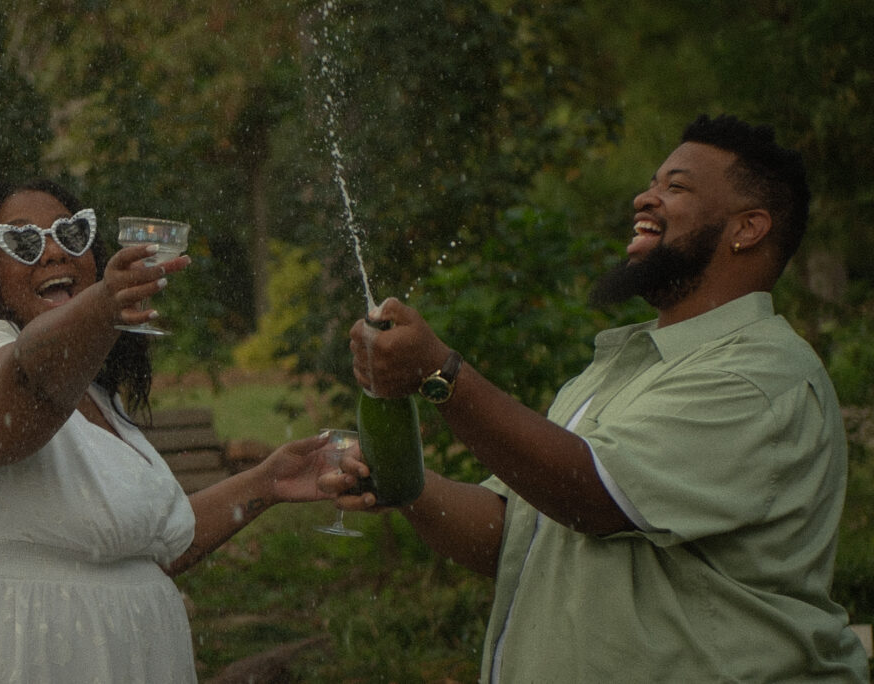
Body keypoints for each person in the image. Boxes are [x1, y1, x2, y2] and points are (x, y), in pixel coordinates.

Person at [336, 114, 870, 681]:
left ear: (749, 228)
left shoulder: (759, 374)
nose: (646, 197)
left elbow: (593, 499)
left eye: (677, 186)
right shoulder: (617, 369)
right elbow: (508, 531)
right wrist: (399, 482)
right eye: (653, 181)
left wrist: (438, 373)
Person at [0, 178, 347, 683]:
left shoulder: (95, 397)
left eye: (72, 233)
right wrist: (100, 310)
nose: (53, 252)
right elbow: (19, 398)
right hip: (3, 659)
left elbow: (151, 549)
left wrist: (268, 482)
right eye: (23, 242)